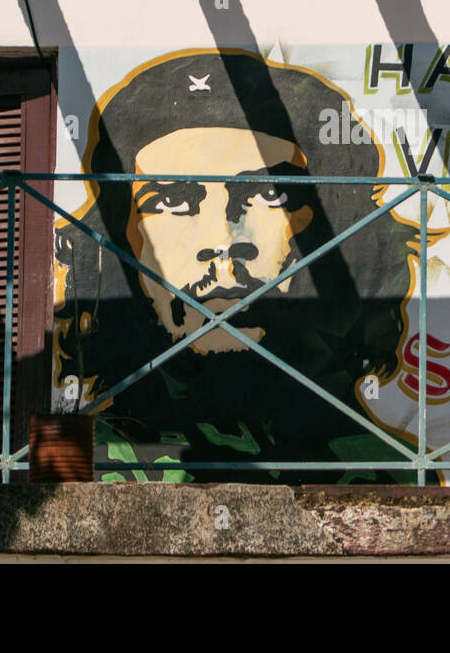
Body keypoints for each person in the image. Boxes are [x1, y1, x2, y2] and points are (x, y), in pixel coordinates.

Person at [53, 48, 416, 483]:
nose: (222, 243)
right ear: (116, 242)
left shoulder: (392, 470)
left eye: (267, 195)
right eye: (171, 201)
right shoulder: (76, 464)